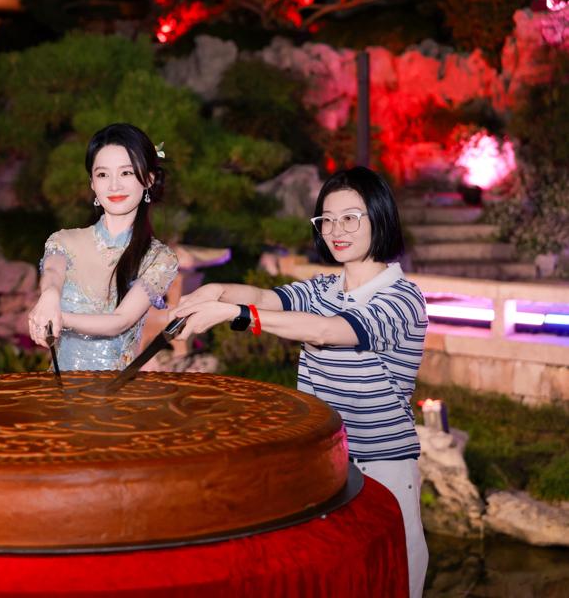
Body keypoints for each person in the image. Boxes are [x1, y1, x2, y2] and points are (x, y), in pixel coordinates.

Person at [171, 166, 428, 598]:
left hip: (382, 469)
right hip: (325, 465)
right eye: (327, 220)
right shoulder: (324, 287)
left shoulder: (402, 297)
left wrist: (236, 315)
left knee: (389, 582)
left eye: (351, 218)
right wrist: (214, 291)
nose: (336, 230)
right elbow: (265, 297)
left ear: (380, 216)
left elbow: (327, 331)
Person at [28, 123, 178, 371]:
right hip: (59, 390)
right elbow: (53, 272)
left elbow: (120, 321)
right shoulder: (64, 240)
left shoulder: (159, 258)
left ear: (149, 179)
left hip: (115, 391)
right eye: (103, 175)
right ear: (92, 183)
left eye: (126, 173)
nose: (114, 185)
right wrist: (49, 296)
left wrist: (60, 318)